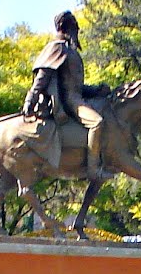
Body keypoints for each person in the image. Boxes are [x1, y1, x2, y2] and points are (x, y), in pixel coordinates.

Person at [22, 10, 112, 180]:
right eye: (75, 28)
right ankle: (93, 169)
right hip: (71, 101)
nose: (77, 32)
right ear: (67, 28)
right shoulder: (57, 47)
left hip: (77, 96)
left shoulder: (69, 50)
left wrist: (97, 90)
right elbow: (42, 78)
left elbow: (75, 85)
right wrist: (29, 100)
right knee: (97, 123)